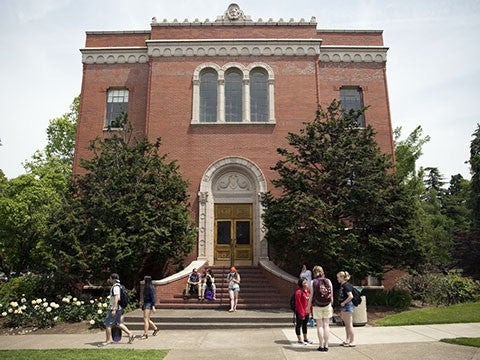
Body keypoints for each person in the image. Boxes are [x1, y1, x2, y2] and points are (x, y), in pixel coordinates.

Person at [99, 273, 135, 346]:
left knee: (107, 324)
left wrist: (114, 309)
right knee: (117, 323)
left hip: (115, 308)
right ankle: (130, 334)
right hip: (119, 308)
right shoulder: (119, 286)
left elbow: (116, 298)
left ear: (113, 279)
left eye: (110, 278)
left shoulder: (115, 287)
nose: (109, 280)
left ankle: (108, 340)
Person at [309, 265, 334, 352]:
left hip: (317, 305)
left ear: (314, 272)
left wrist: (308, 307)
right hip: (327, 305)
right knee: (326, 325)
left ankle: (321, 345)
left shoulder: (313, 282)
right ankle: (326, 345)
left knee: (319, 326)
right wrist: (331, 305)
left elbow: (311, 295)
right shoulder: (328, 281)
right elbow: (331, 295)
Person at [337, 271, 356, 347]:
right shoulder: (343, 285)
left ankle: (352, 340)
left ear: (342, 277)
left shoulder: (346, 285)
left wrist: (344, 302)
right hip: (345, 306)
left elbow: (351, 296)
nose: (337, 279)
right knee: (347, 324)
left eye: (338, 277)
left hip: (347, 306)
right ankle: (347, 340)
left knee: (349, 324)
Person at [294, 277, 313, 345]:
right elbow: (298, 304)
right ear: (301, 284)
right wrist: (302, 313)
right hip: (300, 312)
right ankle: (299, 339)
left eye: (306, 282)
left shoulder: (307, 291)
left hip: (307, 311)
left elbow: (310, 302)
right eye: (304, 283)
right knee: (298, 325)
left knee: (305, 325)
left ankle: (305, 338)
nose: (306, 284)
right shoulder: (298, 292)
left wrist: (310, 311)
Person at [140, 275, 159, 339]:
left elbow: (153, 297)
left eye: (144, 280)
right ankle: (155, 328)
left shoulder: (150, 287)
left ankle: (145, 334)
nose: (143, 281)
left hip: (149, 304)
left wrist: (153, 306)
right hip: (146, 303)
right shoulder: (146, 287)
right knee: (147, 319)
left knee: (145, 319)